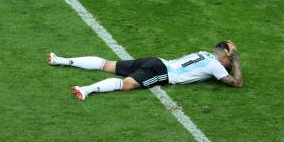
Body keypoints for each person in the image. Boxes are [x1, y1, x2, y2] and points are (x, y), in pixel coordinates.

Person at [47, 41, 243, 101]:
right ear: (224, 56)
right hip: (162, 72)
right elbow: (237, 83)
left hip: (155, 60)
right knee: (127, 85)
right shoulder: (215, 65)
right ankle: (86, 90)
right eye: (230, 58)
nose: (230, 62)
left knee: (108, 64)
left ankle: (60, 60)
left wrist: (230, 56)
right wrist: (236, 60)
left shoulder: (204, 55)